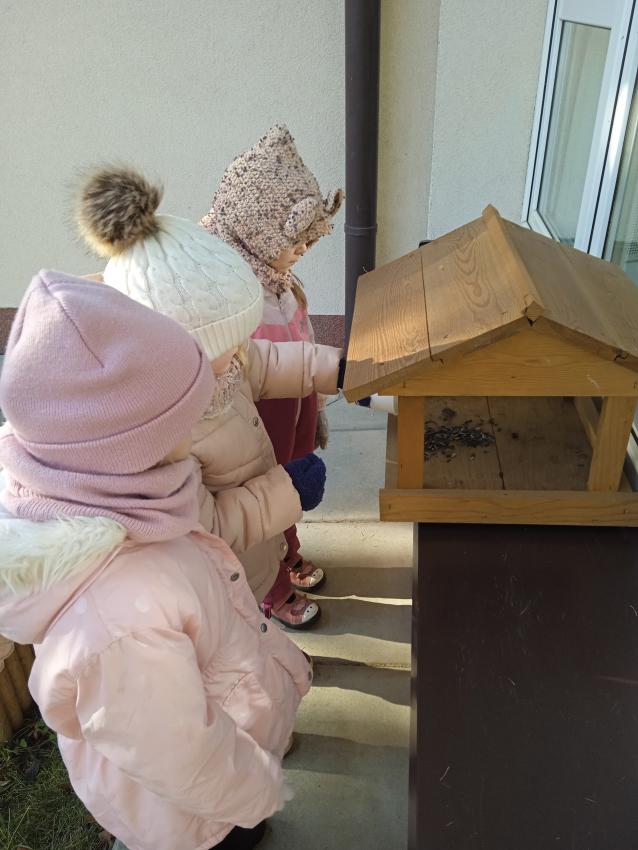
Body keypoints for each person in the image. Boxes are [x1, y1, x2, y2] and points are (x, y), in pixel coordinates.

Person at [0, 272, 311, 850]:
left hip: (222, 754)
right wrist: (255, 793)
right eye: (181, 422)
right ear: (126, 448)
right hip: (194, 815)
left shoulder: (124, 503)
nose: (193, 431)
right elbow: (180, 757)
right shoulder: (118, 620)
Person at [76, 167, 342, 626]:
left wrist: (335, 369)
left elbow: (265, 362)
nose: (240, 349)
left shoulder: (219, 364)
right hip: (227, 579)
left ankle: (279, 575)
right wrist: (287, 489)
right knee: (246, 636)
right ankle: (274, 607)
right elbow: (209, 524)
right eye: (228, 341)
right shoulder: (161, 442)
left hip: (260, 535)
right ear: (177, 349)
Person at [202, 124, 344, 619]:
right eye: (296, 242)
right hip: (258, 416)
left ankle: (290, 550)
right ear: (256, 233)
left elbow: (302, 342)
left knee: (293, 487)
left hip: (296, 398)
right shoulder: (232, 294)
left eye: (308, 243)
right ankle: (274, 589)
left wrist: (317, 408)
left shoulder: (280, 280)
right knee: (266, 497)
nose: (303, 251)